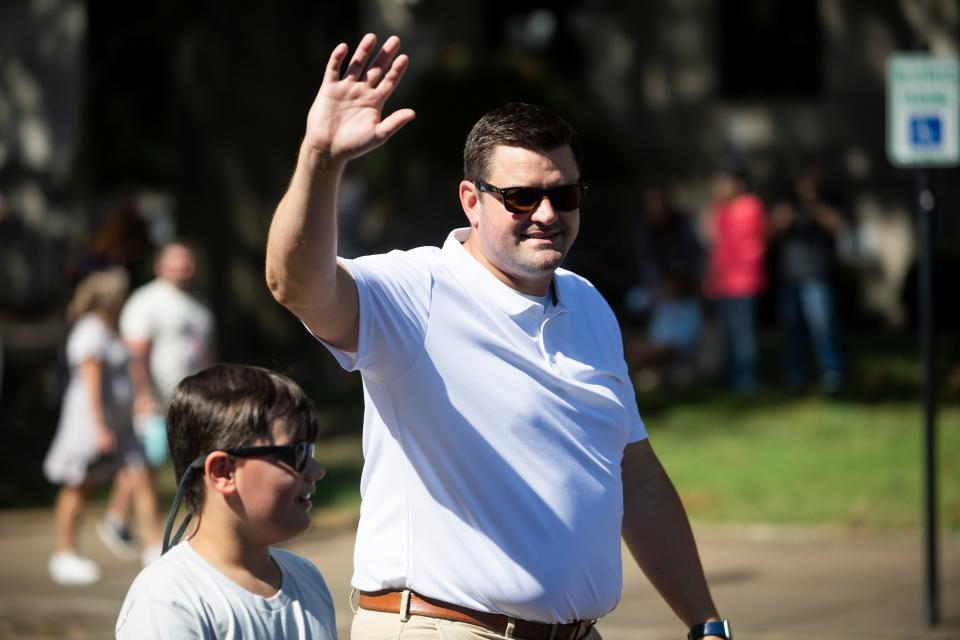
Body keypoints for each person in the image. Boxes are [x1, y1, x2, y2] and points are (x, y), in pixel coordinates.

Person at [265, 34, 731, 640]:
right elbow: (294, 284)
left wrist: (705, 623)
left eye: (564, 194)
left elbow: (634, 476)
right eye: (520, 196)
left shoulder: (588, 303)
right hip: (444, 628)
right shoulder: (416, 290)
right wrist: (321, 159)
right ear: (471, 201)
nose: (546, 213)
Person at [115, 363, 335, 638]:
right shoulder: (168, 600)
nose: (316, 470)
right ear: (223, 472)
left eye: (311, 449)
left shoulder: (307, 578)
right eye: (298, 453)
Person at [42, 268, 163, 585]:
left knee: (141, 473)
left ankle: (154, 547)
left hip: (122, 422)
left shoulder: (110, 329)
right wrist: (99, 427)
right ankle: (64, 552)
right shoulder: (90, 331)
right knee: (80, 484)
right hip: (91, 422)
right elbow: (91, 383)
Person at [98, 240, 215, 560]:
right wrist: (143, 396)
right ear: (160, 265)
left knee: (143, 466)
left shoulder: (198, 306)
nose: (183, 268)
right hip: (152, 401)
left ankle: (116, 519)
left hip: (189, 401)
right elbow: (136, 354)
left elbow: (205, 354)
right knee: (144, 468)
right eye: (175, 261)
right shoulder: (146, 301)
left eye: (187, 261)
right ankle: (153, 541)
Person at [769, 165, 845, 393]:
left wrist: (815, 206)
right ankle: (794, 374)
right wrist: (791, 210)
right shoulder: (788, 204)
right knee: (791, 331)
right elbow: (772, 230)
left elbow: (838, 226)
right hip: (791, 276)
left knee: (823, 328)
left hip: (817, 275)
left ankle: (832, 373)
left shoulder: (826, 203)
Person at [626, 184, 704, 390]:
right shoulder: (644, 230)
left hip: (683, 292)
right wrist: (658, 286)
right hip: (659, 293)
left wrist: (680, 284)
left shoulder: (682, 227)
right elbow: (647, 263)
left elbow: (693, 260)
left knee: (677, 342)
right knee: (637, 302)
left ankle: (662, 364)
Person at [703, 163, 767, 393]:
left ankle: (748, 379)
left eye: (725, 182)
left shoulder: (750, 206)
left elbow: (738, 241)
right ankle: (731, 378)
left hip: (744, 282)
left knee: (744, 335)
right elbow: (715, 243)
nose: (720, 188)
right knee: (728, 334)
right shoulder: (720, 210)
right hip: (723, 284)